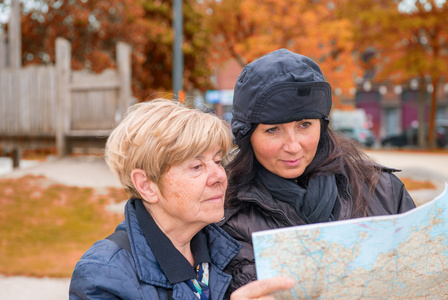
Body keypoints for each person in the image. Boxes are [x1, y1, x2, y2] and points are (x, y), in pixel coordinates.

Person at [219, 49, 416, 294]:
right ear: (248, 137)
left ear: (322, 127)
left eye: (304, 125)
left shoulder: (383, 190)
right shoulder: (222, 216)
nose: (293, 146)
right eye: (273, 130)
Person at [69, 99, 293, 299]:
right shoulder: (104, 274)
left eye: (217, 161)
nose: (219, 176)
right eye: (196, 166)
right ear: (146, 186)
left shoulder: (229, 247)